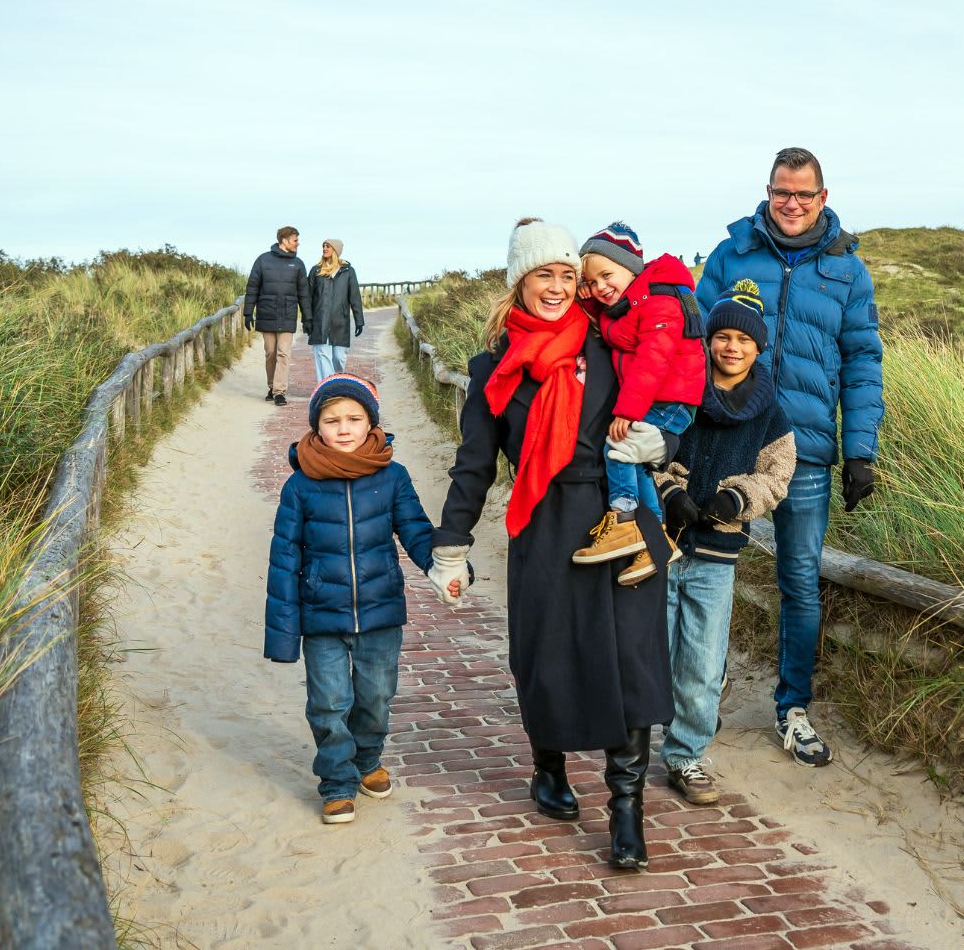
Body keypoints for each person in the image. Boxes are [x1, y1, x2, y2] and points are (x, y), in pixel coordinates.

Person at [427, 218, 673, 871]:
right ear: (520, 282)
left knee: (632, 662)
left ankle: (626, 810)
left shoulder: (610, 341)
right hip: (543, 520)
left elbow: (669, 396)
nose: (560, 286)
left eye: (568, 274)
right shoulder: (493, 370)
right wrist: (451, 544)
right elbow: (475, 465)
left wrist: (662, 445)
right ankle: (549, 769)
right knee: (546, 658)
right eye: (546, 274)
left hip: (619, 518)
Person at [700, 147, 885, 768]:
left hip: (805, 450)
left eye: (805, 194)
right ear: (769, 191)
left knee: (799, 581)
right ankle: (701, 694)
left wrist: (860, 448)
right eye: (783, 192)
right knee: (708, 570)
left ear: (823, 198)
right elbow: (693, 339)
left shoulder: (847, 271)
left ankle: (793, 708)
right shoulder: (732, 255)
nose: (793, 204)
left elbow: (863, 363)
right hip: (728, 439)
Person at [262, 373, 459, 824]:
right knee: (329, 704)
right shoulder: (301, 485)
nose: (344, 428)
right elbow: (284, 559)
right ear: (317, 427)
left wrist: (442, 567)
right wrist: (282, 634)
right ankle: (336, 781)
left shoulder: (393, 477)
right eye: (332, 420)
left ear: (371, 423)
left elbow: (415, 530)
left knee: (375, 698)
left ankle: (367, 759)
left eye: (354, 418)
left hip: (380, 612)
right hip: (321, 617)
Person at [652, 279, 795, 804]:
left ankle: (686, 755)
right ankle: (642, 731)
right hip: (664, 546)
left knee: (703, 661)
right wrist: (670, 491)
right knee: (657, 651)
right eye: (723, 336)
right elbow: (652, 452)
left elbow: (778, 473)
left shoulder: (769, 411)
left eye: (745, 340)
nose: (732, 347)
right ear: (709, 339)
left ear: (759, 349)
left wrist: (738, 499)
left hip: (717, 556)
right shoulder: (680, 394)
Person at [569, 222, 706, 587]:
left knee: (618, 445)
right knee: (638, 462)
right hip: (660, 396)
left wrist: (627, 411)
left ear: (631, 266)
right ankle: (657, 537)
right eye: (591, 281)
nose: (600, 287)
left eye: (606, 275)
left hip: (670, 399)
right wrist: (582, 294)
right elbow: (599, 317)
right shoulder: (626, 304)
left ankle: (624, 518)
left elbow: (652, 361)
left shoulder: (658, 299)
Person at [244, 226, 310, 405]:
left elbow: (304, 293)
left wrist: (307, 318)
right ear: (285, 240)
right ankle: (272, 386)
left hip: (288, 315)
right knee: (270, 353)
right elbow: (252, 288)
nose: (298, 243)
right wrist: (248, 312)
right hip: (267, 314)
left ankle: (279, 392)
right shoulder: (262, 260)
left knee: (283, 353)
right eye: (295, 240)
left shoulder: (298, 264)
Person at [307, 238, 366, 383]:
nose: (324, 249)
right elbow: (307, 298)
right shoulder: (316, 271)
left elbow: (355, 297)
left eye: (328, 246)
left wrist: (359, 321)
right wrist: (307, 320)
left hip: (340, 323)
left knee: (339, 358)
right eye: (323, 246)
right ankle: (328, 387)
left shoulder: (348, 272)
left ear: (336, 250)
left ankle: (336, 381)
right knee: (322, 356)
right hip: (319, 322)